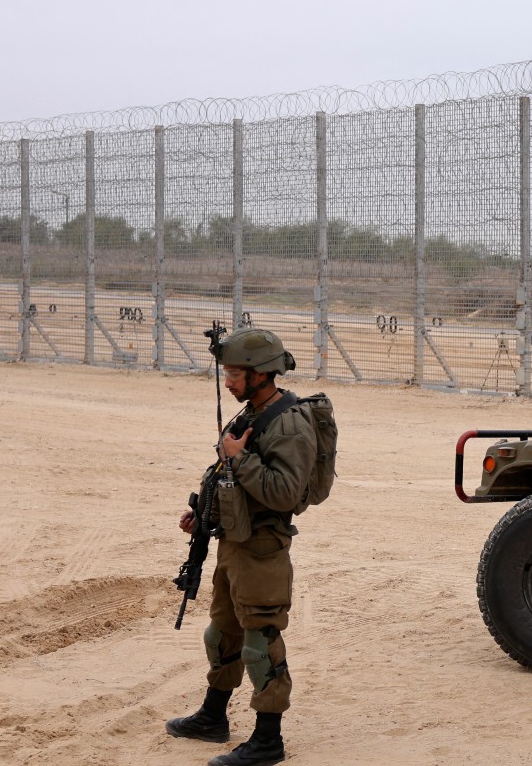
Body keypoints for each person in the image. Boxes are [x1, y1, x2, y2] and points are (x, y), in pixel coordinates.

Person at [166, 328, 319, 766]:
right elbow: (229, 480)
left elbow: (286, 494)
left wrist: (240, 457)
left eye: (234, 373)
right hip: (233, 544)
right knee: (222, 634)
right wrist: (205, 517)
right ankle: (213, 717)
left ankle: (268, 741)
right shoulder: (252, 412)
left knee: (260, 643)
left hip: (262, 549)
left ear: (261, 374)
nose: (227, 381)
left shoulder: (289, 423)